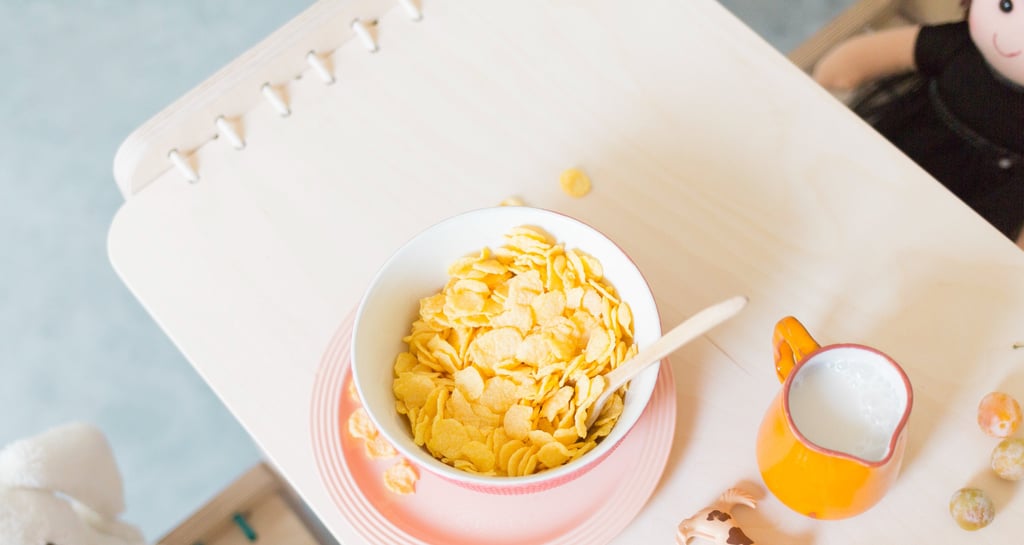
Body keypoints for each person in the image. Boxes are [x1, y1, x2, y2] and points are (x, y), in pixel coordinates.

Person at [813, 0, 1024, 245]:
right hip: (915, 140)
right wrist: (838, 70)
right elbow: (855, 61)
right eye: (1006, 6)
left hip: (993, 192)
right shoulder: (957, 45)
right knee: (860, 201)